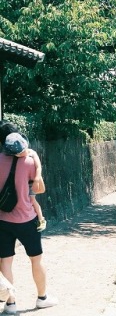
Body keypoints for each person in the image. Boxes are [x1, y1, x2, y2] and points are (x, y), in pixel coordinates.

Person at [0, 124, 58, 313]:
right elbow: (40, 190)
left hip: (2, 220)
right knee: (36, 259)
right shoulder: (30, 162)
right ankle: (42, 298)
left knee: (5, 261)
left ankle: (10, 304)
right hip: (26, 219)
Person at [4, 133, 46, 232]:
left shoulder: (32, 153)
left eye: (20, 153)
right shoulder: (16, 156)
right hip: (26, 183)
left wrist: (36, 179)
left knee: (32, 199)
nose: (18, 155)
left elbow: (39, 167)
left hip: (32, 182)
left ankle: (41, 219)